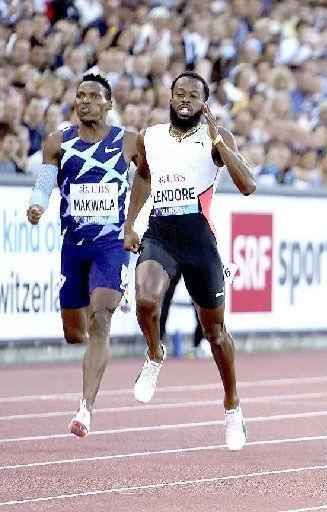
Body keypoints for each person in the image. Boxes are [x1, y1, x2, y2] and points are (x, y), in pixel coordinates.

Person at [123, 71, 256, 451]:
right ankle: (155, 353)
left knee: (214, 333)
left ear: (204, 102)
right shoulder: (151, 136)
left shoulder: (216, 137)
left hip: (200, 242)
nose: (185, 99)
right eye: (179, 93)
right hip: (161, 234)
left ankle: (232, 405)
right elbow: (144, 177)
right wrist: (131, 224)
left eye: (193, 95)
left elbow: (248, 186)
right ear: (170, 97)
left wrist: (218, 140)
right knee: (146, 299)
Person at [26, 74, 137, 437]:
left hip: (111, 246)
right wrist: (37, 205)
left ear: (108, 104)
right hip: (73, 246)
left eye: (93, 96)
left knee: (101, 316)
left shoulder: (129, 142)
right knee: (76, 333)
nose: (85, 101)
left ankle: (85, 408)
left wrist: (135, 223)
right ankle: (92, 349)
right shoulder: (58, 142)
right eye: (79, 95)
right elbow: (45, 180)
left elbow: (149, 178)